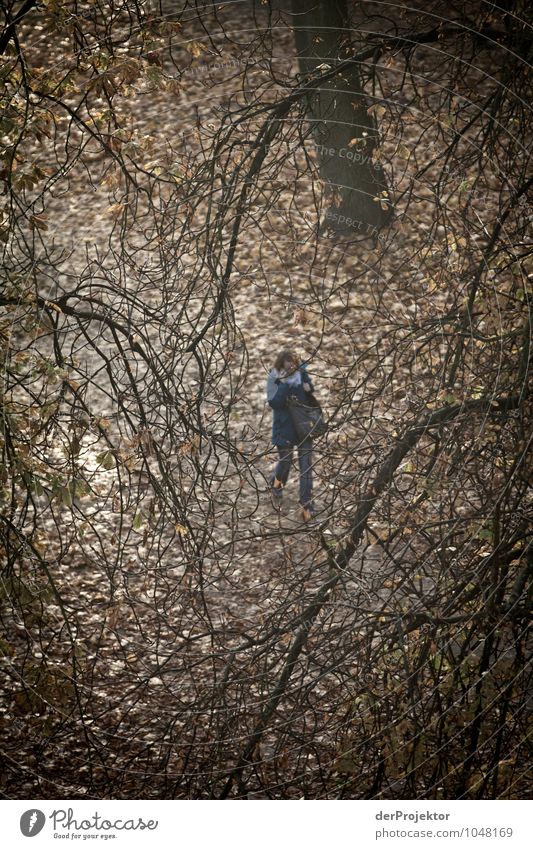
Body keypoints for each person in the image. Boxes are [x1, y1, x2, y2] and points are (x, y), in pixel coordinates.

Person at [266, 349, 316, 521]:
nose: (291, 368)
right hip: (284, 427)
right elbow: (274, 402)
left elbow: (309, 392)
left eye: (294, 364)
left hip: (303, 426)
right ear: (281, 364)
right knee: (285, 461)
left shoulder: (302, 373)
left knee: (306, 467)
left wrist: (308, 388)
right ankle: (276, 483)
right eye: (288, 364)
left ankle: (306, 503)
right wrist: (285, 384)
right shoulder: (274, 378)